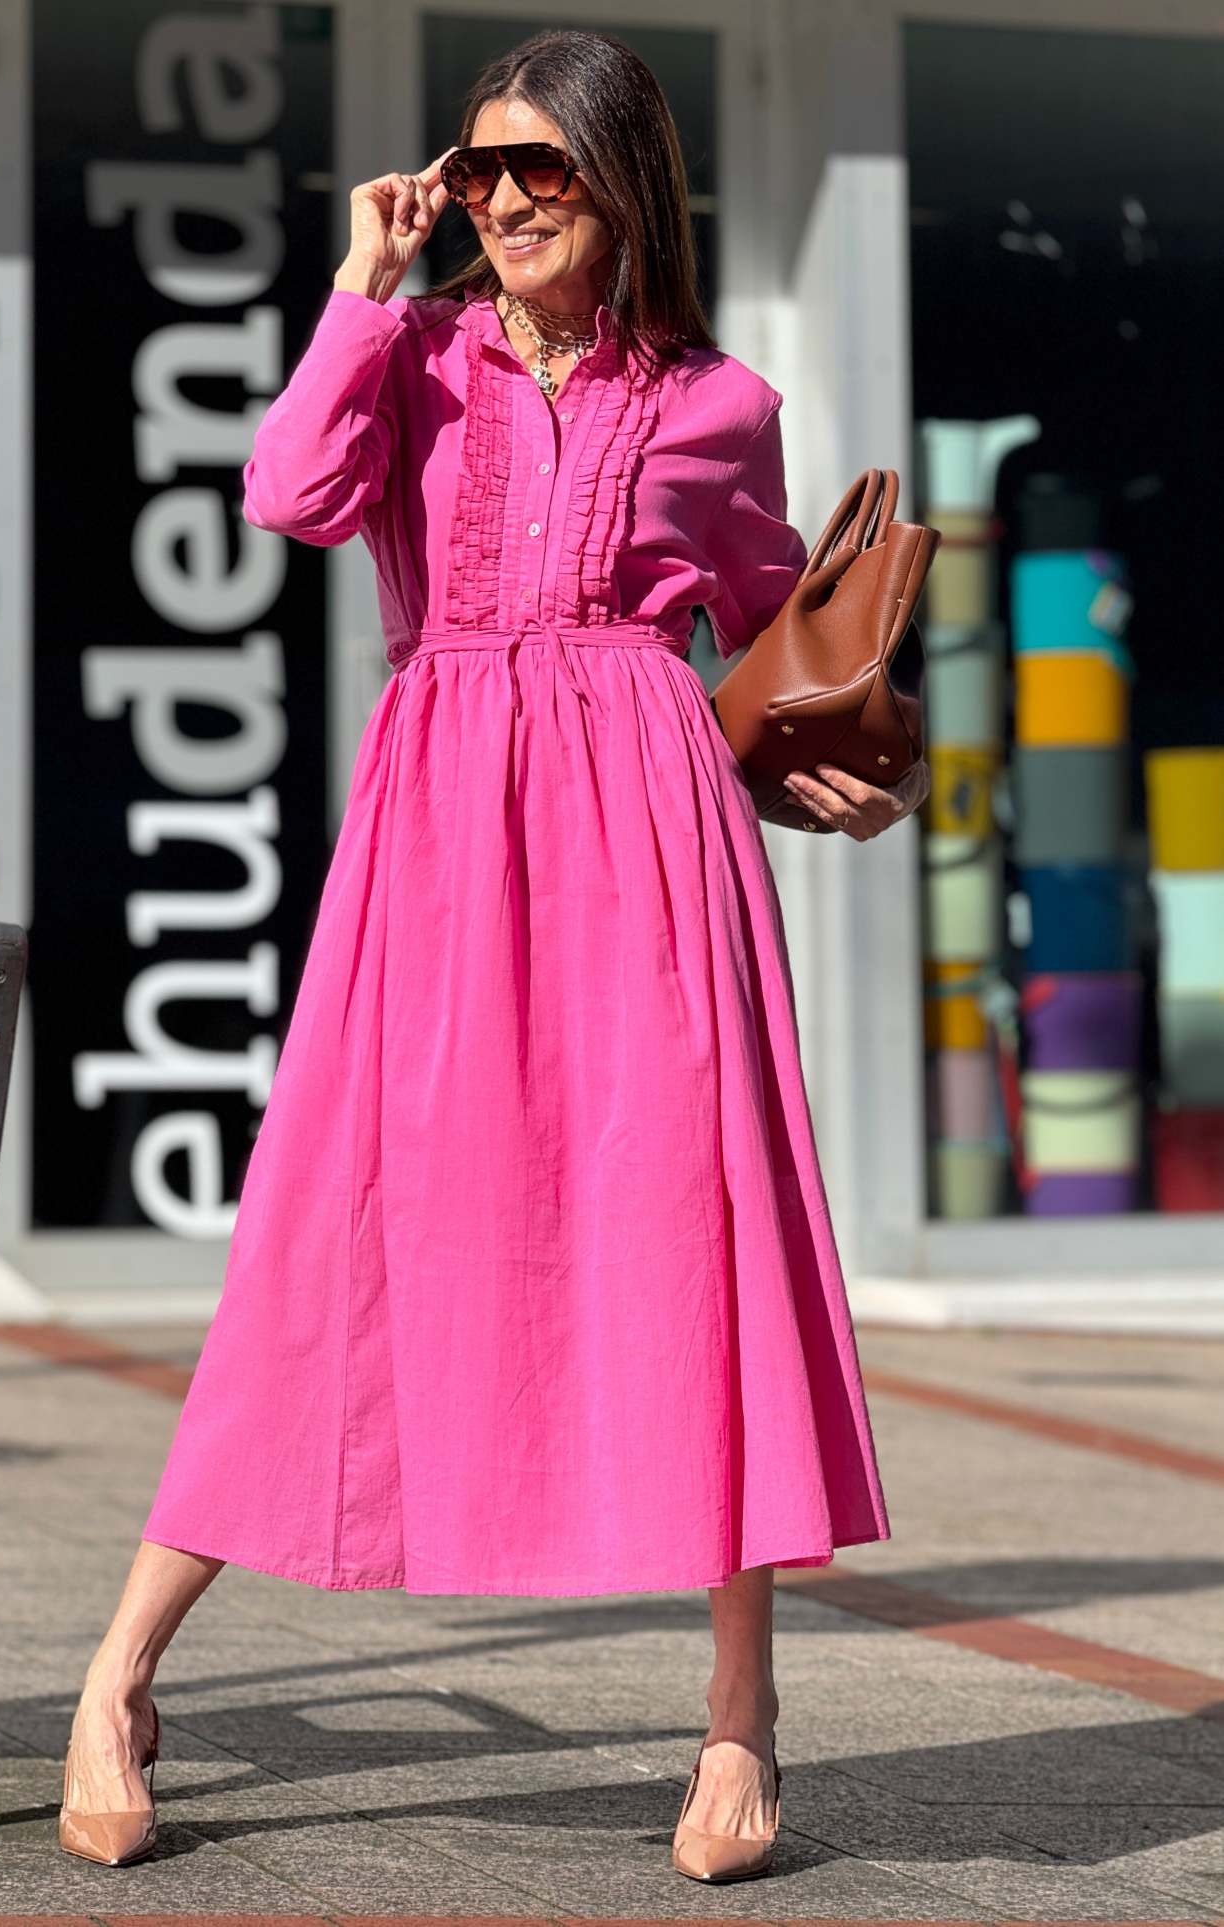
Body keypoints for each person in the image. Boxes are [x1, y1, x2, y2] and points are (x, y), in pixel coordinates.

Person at [57, 27, 928, 1885]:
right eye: (478, 168)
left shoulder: (719, 404)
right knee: (333, 1233)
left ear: (623, 181)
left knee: (693, 1242)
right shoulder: (409, 357)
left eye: (542, 166)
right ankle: (117, 1675)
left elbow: (770, 645)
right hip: (440, 837)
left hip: (653, 851)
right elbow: (289, 497)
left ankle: (739, 1718)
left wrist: (848, 785)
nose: (505, 199)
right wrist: (360, 288)